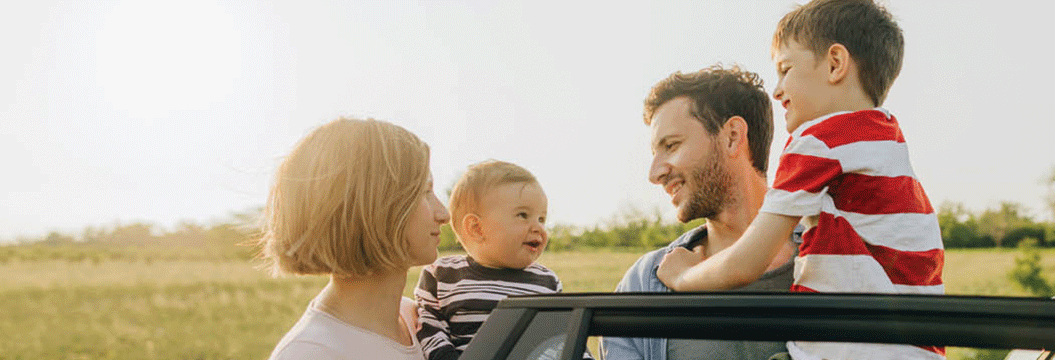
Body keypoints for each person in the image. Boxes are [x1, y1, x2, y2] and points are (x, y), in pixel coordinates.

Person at [655, 0, 946, 359]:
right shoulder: (885, 139)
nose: (777, 90)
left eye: (785, 69)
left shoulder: (818, 143)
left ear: (835, 64)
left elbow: (746, 263)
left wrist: (684, 276)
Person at [600, 64, 802, 360]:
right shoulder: (643, 284)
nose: (655, 173)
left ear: (732, 136)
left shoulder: (838, 257)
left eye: (671, 145)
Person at [259, 117, 449, 360]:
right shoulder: (311, 353)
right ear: (376, 207)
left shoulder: (418, 319)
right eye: (424, 192)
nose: (445, 214)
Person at [415, 160, 567, 360]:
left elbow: (563, 337)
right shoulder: (443, 275)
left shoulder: (547, 281)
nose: (537, 227)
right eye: (523, 215)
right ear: (476, 228)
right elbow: (429, 323)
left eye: (541, 219)